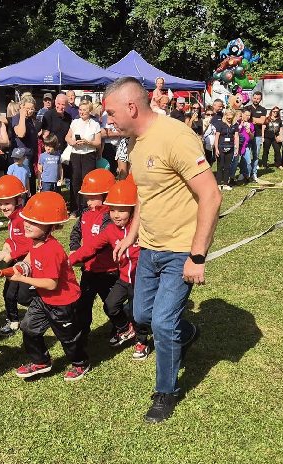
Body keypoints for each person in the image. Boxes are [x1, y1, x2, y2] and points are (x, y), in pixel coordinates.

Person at [104, 76, 222, 423]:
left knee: (162, 322)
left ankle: (165, 392)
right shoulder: (134, 143)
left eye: (111, 112)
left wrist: (197, 255)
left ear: (131, 107)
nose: (108, 119)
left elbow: (211, 195)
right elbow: (145, 193)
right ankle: (187, 333)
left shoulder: (175, 136)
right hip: (149, 248)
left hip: (180, 250)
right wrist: (132, 235)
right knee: (142, 316)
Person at [6, 191, 89, 381]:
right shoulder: (35, 241)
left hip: (63, 302)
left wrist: (22, 279)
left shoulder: (52, 250)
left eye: (34, 222)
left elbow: (51, 284)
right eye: (27, 220)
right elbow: (30, 256)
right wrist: (21, 266)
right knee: (28, 327)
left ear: (50, 227)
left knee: (68, 338)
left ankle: (80, 363)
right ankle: (41, 361)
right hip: (43, 298)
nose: (27, 224)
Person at [69, 178, 148, 354]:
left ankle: (142, 342)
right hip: (123, 279)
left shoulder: (142, 228)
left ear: (133, 209)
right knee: (110, 305)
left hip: (141, 280)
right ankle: (125, 328)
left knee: (138, 313)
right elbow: (91, 246)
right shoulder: (110, 230)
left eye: (122, 210)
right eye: (112, 210)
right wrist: (71, 260)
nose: (116, 215)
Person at [68, 169, 116, 349]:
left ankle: (120, 327)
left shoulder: (110, 217)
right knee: (83, 304)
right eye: (86, 198)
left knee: (111, 305)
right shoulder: (86, 214)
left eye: (92, 198)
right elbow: (75, 232)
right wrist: (74, 248)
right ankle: (82, 333)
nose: (88, 202)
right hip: (88, 270)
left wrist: (79, 256)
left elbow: (100, 244)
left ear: (106, 195)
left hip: (107, 271)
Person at [0, 175, 33, 336]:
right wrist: (7, 242)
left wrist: (13, 254)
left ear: (18, 200)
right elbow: (14, 238)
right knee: (8, 293)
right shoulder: (12, 218)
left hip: (25, 262)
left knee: (23, 297)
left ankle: (44, 308)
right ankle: (13, 321)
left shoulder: (22, 219)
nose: (3, 207)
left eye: (7, 203)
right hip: (15, 260)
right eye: (0, 203)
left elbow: (31, 244)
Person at [65, 102, 102, 216]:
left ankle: (86, 208)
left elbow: (98, 143)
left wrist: (88, 142)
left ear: (89, 111)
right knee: (75, 181)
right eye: (80, 109)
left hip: (89, 155)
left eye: (84, 110)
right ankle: (75, 209)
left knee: (87, 181)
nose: (81, 112)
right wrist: (72, 142)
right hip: (75, 154)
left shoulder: (95, 124)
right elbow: (67, 137)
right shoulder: (75, 122)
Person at [9, 95, 38, 191]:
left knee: (30, 183)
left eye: (32, 109)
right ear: (22, 107)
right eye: (27, 108)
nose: (30, 111)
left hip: (30, 155)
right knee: (23, 184)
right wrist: (22, 114)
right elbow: (21, 133)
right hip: (21, 157)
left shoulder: (30, 120)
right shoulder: (17, 118)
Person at [214, 108, 239, 189]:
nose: (229, 118)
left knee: (227, 166)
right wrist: (216, 148)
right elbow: (217, 137)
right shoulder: (220, 124)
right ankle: (218, 184)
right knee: (220, 166)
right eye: (228, 116)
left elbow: (236, 137)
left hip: (230, 147)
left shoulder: (235, 125)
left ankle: (225, 184)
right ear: (225, 116)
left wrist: (236, 148)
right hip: (221, 147)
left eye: (231, 116)